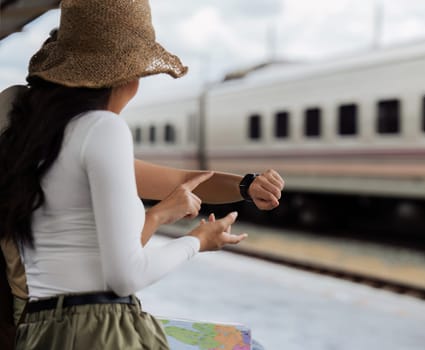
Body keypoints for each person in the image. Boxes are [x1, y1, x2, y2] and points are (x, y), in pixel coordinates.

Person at [0, 0, 284, 349]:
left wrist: (246, 184)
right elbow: (124, 276)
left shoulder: (39, 140)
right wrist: (197, 241)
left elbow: (181, 181)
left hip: (38, 330)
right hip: (98, 331)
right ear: (128, 75)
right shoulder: (102, 129)